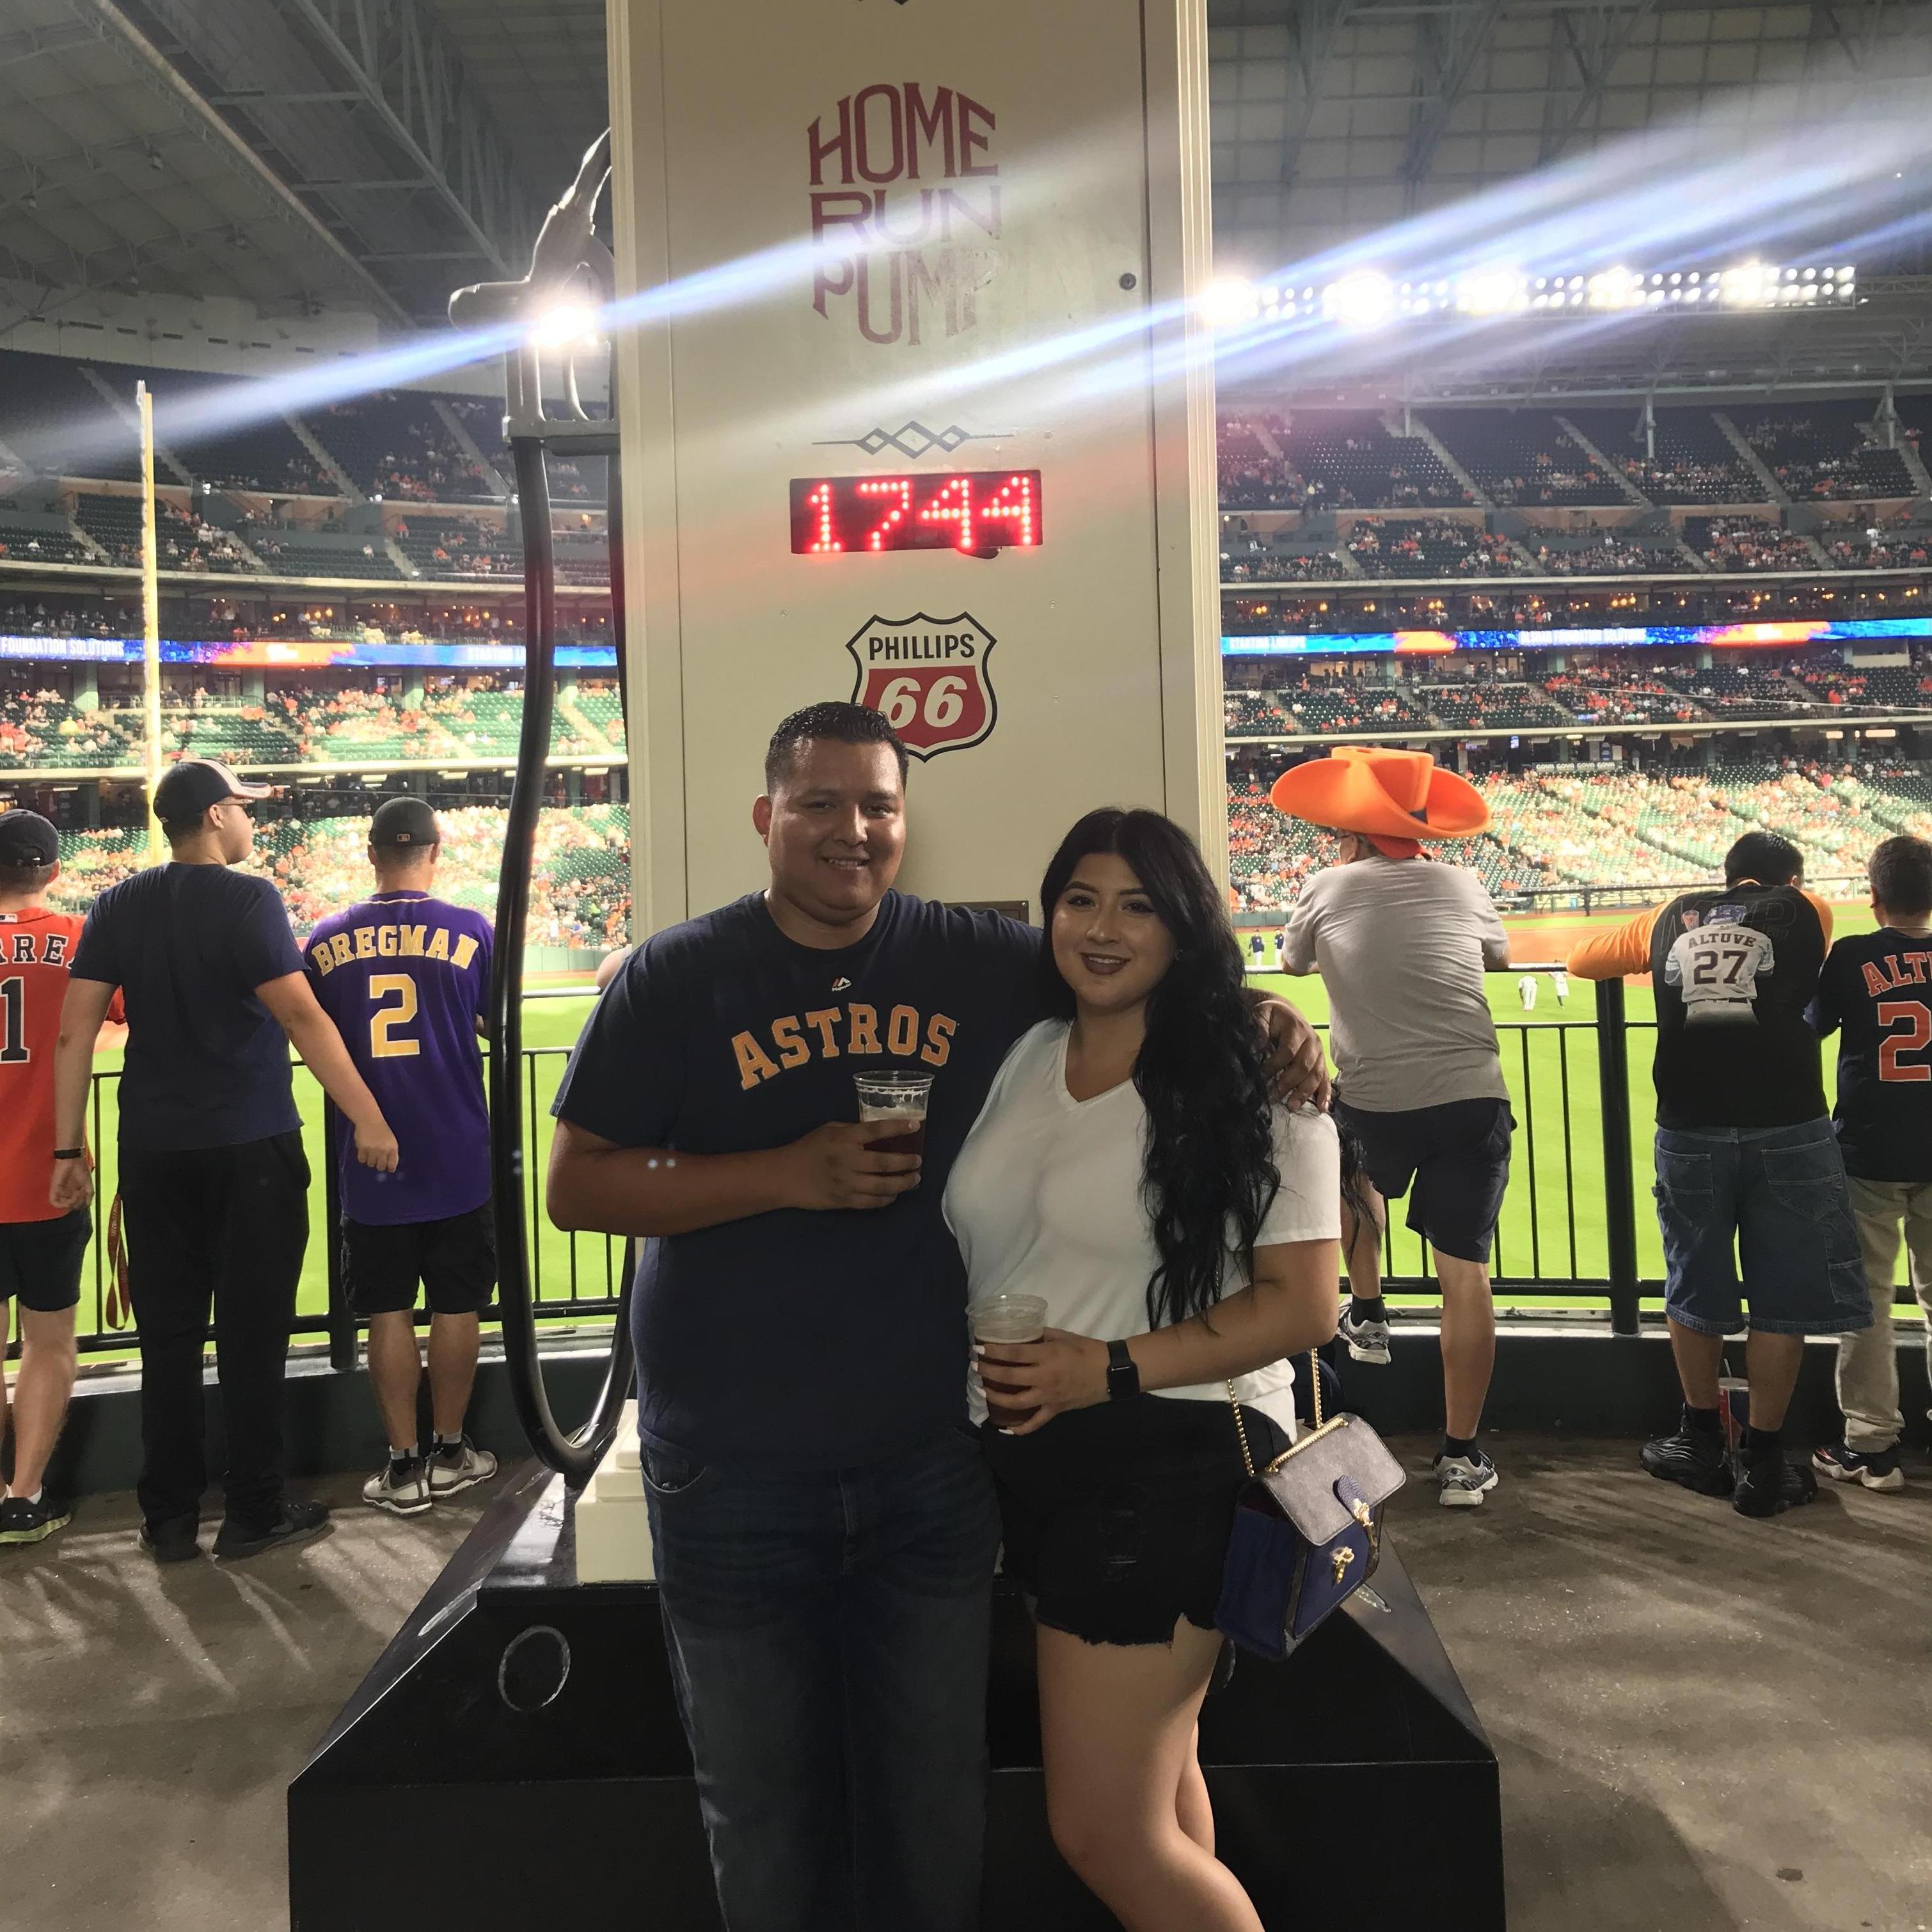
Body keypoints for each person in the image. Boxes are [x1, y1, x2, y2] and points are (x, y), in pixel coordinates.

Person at [544, 702, 1325, 1932]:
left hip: (933, 1467)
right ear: (766, 816)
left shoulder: (982, 956)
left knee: (933, 1811)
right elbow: (575, 1185)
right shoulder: (677, 974)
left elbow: (1136, 965)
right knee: (763, 1810)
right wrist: (786, 1173)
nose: (851, 832)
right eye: (818, 804)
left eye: (878, 807)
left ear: (908, 821)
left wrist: (1263, 1022)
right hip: (735, 1470)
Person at [950, 809, 1343, 1932]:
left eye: (1140, 904)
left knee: (1103, 1833)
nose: (1104, 927)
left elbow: (1304, 1306)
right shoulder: (1026, 1053)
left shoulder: (1253, 1075)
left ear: (1188, 926)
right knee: (1164, 1794)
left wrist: (1108, 1368)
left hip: (1172, 1459)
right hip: (1040, 1454)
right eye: (1081, 898)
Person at [51, 757, 400, 1563]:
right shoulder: (249, 898)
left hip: (151, 1153)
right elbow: (303, 1018)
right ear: (213, 817)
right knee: (252, 1336)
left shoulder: (116, 903)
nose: (251, 822)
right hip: (250, 1151)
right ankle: (253, 1509)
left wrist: (69, 1147)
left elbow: (74, 1032)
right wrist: (369, 1118)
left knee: (167, 1341)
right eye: (242, 809)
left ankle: (168, 1518)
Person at [1567, 830, 1871, 1517]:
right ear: (1787, 879)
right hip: (1789, 1124)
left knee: (1693, 1283)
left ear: (1725, 874)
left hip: (1689, 1126)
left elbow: (1581, 959)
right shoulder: (1808, 910)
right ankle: (1763, 1460)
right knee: (1781, 1299)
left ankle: (1698, 1437)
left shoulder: (1669, 913)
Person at [1276, 747, 1514, 1506]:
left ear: (1350, 833)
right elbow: (1497, 958)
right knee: (1463, 1275)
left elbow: (1292, 963)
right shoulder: (1465, 880)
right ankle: (1460, 1458)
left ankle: (1369, 1313)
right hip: (1470, 1095)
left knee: (1350, 1169)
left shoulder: (1326, 883)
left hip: (1374, 1097)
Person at [302, 798, 498, 1516]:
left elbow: (308, 1024)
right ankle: (452, 1450)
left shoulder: (325, 937)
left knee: (386, 1308)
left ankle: (403, 1464)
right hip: (456, 1147)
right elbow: (487, 1018)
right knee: (456, 1303)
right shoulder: (471, 929)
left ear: (370, 853)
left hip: (370, 1152)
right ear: (435, 853)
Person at [1807, 834, 1932, 1493]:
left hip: (1866, 1152)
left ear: (1873, 896)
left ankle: (1870, 1447)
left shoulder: (1853, 955)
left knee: (1867, 1303)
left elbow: (1805, 1025)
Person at [0, 812, 106, 1545]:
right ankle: (25, 1496)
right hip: (50, 1175)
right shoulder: (77, 936)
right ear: (54, 871)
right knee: (49, 1340)